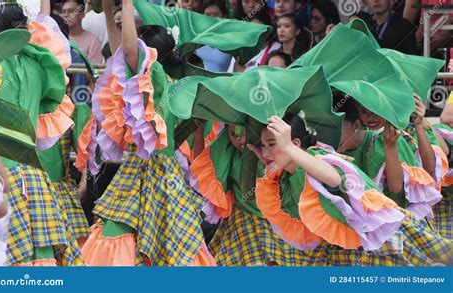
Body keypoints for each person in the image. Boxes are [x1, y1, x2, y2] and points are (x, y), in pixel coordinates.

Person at [81, 0, 215, 266]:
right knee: (171, 247)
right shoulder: (171, 85)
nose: (131, 50)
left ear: (151, 54)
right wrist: (110, 9)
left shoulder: (152, 74)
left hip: (150, 170)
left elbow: (128, 48)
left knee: (123, 237)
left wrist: (127, 3)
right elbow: (121, 49)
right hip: (153, 171)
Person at [253, 114, 452, 265]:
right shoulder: (283, 177)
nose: (265, 151)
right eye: (263, 145)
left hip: (382, 236)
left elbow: (333, 178)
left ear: (295, 144)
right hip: (353, 247)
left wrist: (286, 148)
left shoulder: (317, 156)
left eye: (271, 144)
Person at [0, 0, 83, 266]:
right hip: (35, 175)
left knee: (2, 256)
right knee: (43, 253)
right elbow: (51, 99)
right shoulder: (40, 64)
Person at [190, 125, 305, 265]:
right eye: (233, 134)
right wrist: (199, 134)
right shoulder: (229, 153)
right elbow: (204, 174)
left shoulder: (273, 153)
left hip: (278, 222)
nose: (240, 140)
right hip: (244, 219)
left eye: (245, 134)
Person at [195, 0, 233, 72]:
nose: (211, 19)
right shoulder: (194, 37)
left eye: (216, 14)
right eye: (207, 15)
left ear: (224, 16)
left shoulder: (232, 40)